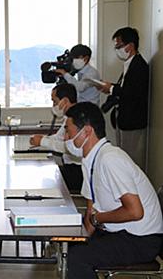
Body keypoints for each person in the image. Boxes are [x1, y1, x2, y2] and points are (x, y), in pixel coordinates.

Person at [64, 102, 163, 279]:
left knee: (76, 258)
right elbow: (90, 209)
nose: (66, 138)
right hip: (117, 231)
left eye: (68, 131)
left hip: (140, 239)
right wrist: (83, 237)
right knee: (68, 246)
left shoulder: (110, 159)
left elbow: (135, 211)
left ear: (86, 131)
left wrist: (97, 219)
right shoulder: (90, 160)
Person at [97, 27, 149, 170]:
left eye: (119, 46)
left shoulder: (139, 66)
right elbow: (125, 87)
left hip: (133, 121)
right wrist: (109, 86)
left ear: (130, 46)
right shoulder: (129, 64)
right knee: (123, 158)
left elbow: (133, 93)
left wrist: (112, 88)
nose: (117, 50)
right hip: (123, 119)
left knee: (130, 162)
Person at [29, 83, 82, 192]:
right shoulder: (69, 117)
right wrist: (42, 139)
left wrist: (43, 141)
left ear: (65, 101)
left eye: (55, 101)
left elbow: (70, 147)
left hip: (77, 171)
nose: (54, 105)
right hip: (70, 167)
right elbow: (59, 138)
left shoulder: (77, 119)